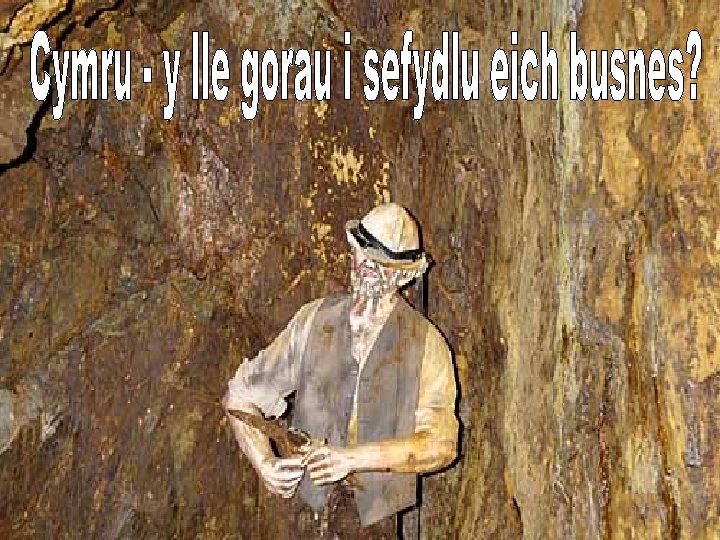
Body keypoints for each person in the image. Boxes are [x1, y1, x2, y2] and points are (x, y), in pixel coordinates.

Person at [223, 202, 459, 538]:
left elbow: (441, 444)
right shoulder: (313, 321)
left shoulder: (425, 346)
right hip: (303, 514)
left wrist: (352, 459)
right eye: (362, 253)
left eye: (380, 263)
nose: (366, 266)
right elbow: (240, 396)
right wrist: (265, 462)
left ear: (404, 274)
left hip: (373, 523)